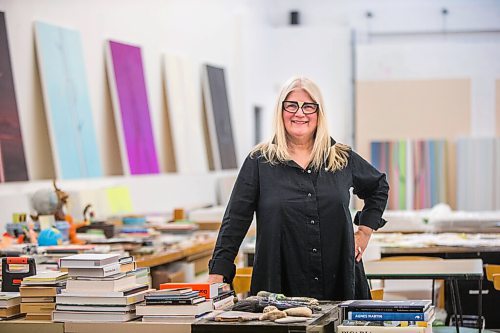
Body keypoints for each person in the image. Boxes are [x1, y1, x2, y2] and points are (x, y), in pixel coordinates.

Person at [208, 76, 389, 300]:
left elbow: (379, 186)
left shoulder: (341, 158)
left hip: (338, 281)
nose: (300, 113)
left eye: (308, 106)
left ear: (318, 113)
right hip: (279, 282)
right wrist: (219, 272)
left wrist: (364, 231)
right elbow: (235, 220)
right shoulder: (259, 161)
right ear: (281, 110)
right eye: (291, 105)